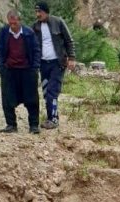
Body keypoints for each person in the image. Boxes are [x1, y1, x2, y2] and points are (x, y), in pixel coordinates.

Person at [0, 10, 42, 134]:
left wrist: (35, 68)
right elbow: (0, 49)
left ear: (20, 21)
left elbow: (36, 50)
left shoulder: (29, 33)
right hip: (9, 70)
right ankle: (11, 125)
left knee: (32, 99)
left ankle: (33, 126)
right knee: (7, 98)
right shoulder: (4, 32)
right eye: (10, 23)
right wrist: (1, 67)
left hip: (27, 70)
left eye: (15, 23)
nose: (13, 26)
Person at [33, 1, 76, 130]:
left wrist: (72, 58)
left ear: (46, 12)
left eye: (39, 11)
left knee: (52, 91)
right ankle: (50, 117)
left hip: (57, 64)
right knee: (46, 92)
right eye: (36, 12)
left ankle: (54, 119)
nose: (37, 14)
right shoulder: (35, 27)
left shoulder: (58, 22)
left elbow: (69, 40)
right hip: (43, 64)